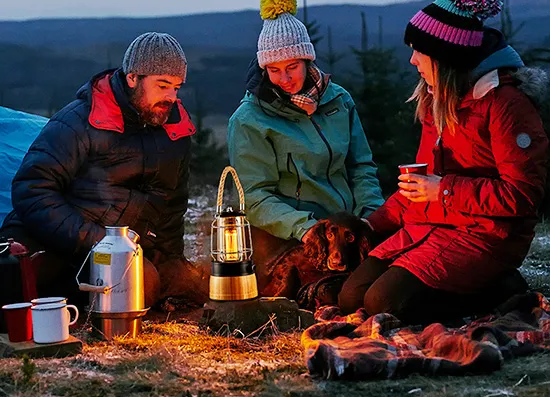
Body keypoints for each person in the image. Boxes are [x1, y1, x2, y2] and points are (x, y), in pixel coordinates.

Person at [338, 0, 549, 325]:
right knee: (351, 297)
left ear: (445, 56)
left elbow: (522, 195)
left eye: (419, 52)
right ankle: (474, 291)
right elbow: (422, 187)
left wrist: (444, 191)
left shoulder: (506, 105)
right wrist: (372, 225)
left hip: (486, 237)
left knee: (383, 302)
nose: (412, 60)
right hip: (432, 228)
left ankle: (501, 290)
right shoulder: (437, 98)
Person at [0, 32, 209, 308]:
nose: (171, 97)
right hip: (57, 241)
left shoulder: (175, 131)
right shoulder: (81, 121)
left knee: (194, 286)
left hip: (124, 251)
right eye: (162, 85)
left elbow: (171, 206)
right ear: (133, 78)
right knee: (136, 283)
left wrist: (170, 260)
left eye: (177, 87)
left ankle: (97, 299)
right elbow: (32, 190)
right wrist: (102, 242)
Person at [227, 0, 384, 294]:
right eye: (273, 70)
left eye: (292, 67)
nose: (285, 79)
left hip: (345, 228)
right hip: (290, 233)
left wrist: (370, 216)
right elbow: (254, 197)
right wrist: (305, 227)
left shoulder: (338, 101)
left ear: (307, 60)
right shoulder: (249, 120)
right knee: (332, 291)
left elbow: (360, 167)